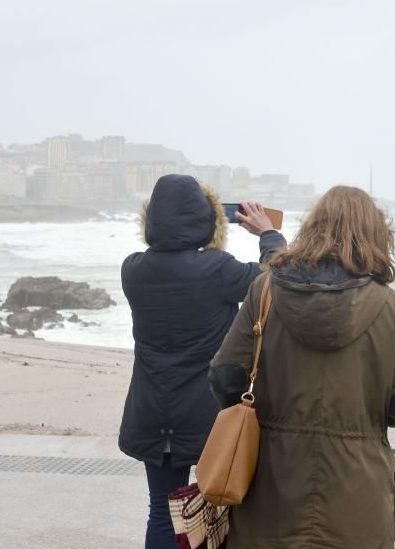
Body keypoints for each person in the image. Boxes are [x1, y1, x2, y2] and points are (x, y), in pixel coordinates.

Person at [209, 185, 395, 549]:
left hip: (271, 483)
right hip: (359, 492)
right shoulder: (392, 307)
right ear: (377, 236)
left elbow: (225, 377)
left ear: (311, 229)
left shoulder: (264, 291)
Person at [117, 174, 287, 549]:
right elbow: (278, 278)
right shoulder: (218, 270)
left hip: (152, 411)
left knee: (162, 512)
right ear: (207, 220)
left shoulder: (133, 269)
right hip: (209, 412)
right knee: (225, 504)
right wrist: (268, 235)